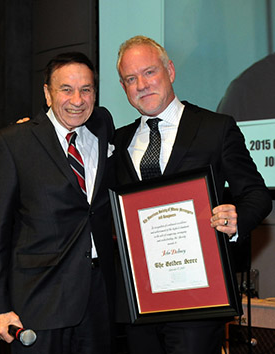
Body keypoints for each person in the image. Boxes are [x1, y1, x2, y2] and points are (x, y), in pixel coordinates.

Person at [113, 35, 272, 354]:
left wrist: (236, 219)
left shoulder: (216, 127)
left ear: (170, 71)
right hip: (138, 302)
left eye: (149, 72)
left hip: (198, 300)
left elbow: (256, 194)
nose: (141, 84)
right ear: (124, 87)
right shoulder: (116, 142)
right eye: (131, 79)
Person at [0, 52, 115, 354]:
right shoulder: (14, 142)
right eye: (66, 89)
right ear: (47, 93)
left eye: (86, 90)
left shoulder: (103, 126)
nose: (77, 100)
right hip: (39, 302)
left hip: (97, 302)